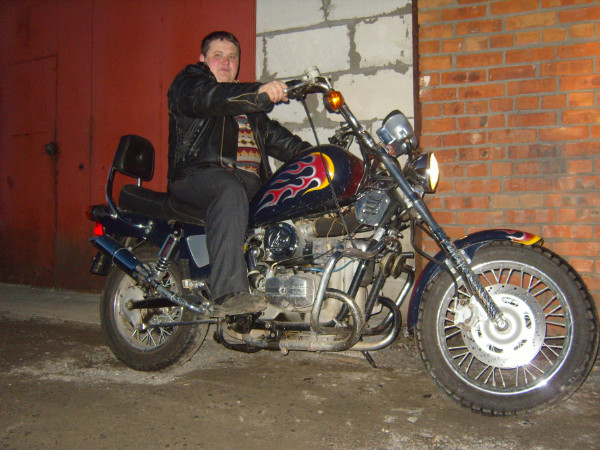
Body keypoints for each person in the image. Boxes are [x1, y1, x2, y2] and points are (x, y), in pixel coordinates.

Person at [167, 31, 310, 317]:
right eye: (217, 55)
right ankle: (228, 292)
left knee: (295, 196)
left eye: (232, 57)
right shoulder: (190, 84)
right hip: (198, 176)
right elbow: (211, 98)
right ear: (202, 59)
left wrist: (325, 158)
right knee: (229, 187)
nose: (225, 62)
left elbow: (287, 144)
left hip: (246, 185)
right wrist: (259, 92)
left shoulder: (251, 113)